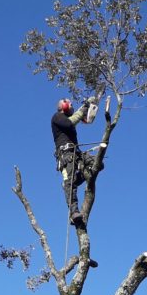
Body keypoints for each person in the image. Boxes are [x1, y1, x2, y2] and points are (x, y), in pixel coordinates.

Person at [51, 97, 99, 226]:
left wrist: (88, 106)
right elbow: (70, 123)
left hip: (77, 153)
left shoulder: (69, 119)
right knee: (69, 182)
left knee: (97, 163)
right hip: (66, 155)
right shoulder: (57, 117)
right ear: (63, 105)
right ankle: (73, 212)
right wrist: (84, 107)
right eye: (70, 103)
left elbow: (79, 118)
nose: (72, 105)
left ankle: (73, 182)